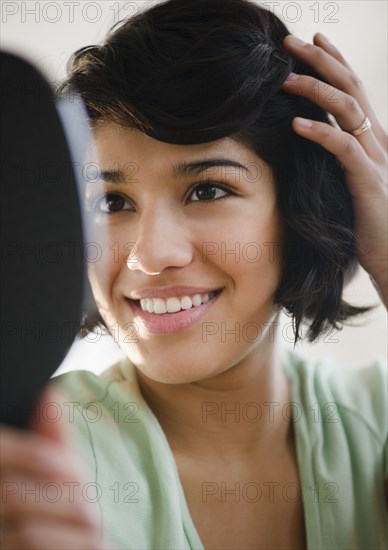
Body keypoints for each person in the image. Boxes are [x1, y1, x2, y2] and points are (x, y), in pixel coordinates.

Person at [1, 0, 387, 548]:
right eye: (111, 202)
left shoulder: (376, 421)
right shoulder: (29, 471)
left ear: (305, 211)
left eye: (208, 190)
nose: (150, 255)